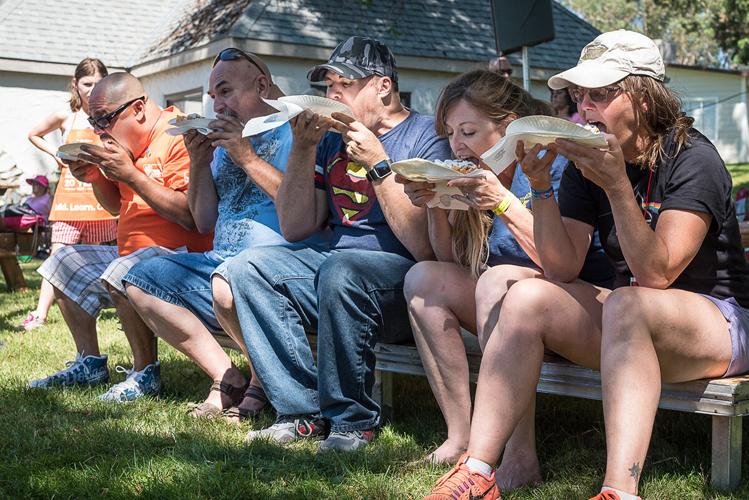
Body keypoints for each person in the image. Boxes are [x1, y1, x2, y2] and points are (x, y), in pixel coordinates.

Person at [424, 30, 749, 500]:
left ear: (643, 96)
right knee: (523, 292)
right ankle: (478, 471)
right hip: (630, 318)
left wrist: (617, 187)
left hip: (718, 321)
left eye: (600, 94)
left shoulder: (693, 158)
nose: (584, 109)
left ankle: (619, 490)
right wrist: (540, 186)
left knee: (629, 303)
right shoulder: (585, 164)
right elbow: (560, 267)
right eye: (580, 96)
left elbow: (658, 274)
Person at [212, 36, 452, 451]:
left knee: (342, 271)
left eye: (345, 84)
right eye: (328, 86)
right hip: (335, 272)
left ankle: (352, 421)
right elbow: (296, 226)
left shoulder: (426, 137)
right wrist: (304, 148)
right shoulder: (327, 140)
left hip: (403, 281)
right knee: (246, 269)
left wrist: (378, 163)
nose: (333, 94)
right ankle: (300, 411)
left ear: (382, 86)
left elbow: (423, 248)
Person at [401, 70, 613, 471]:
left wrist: (501, 201)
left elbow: (559, 265)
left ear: (508, 126)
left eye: (468, 131)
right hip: (498, 304)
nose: (456, 145)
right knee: (423, 278)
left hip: (575, 304)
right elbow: (449, 264)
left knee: (499, 281)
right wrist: (438, 206)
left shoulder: (550, 164)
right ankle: (461, 437)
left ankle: (518, 455)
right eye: (450, 133)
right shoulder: (475, 171)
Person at [123, 48, 298, 417]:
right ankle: (227, 376)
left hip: (273, 267)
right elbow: (203, 221)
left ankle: (260, 382)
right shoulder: (220, 144)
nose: (216, 104)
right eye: (212, 96)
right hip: (220, 262)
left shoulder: (293, 133)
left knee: (232, 277)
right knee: (139, 278)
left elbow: (301, 209)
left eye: (225, 91)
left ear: (261, 86)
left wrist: (246, 154)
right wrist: (200, 161)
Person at [28, 73, 213, 402]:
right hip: (131, 253)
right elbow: (116, 205)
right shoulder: (125, 142)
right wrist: (96, 177)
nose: (98, 130)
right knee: (62, 261)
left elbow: (191, 216)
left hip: (183, 258)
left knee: (123, 270)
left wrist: (131, 174)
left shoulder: (180, 134)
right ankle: (90, 363)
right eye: (92, 119)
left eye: (104, 119)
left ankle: (145, 373)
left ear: (139, 109)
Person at [24, 58, 118, 331]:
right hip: (69, 198)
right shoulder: (67, 115)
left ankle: (97, 309)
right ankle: (40, 313)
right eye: (87, 84)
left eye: (98, 83)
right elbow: (34, 134)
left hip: (100, 200)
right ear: (75, 85)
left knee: (98, 256)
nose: (92, 89)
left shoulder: (110, 115)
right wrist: (55, 154)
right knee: (58, 255)